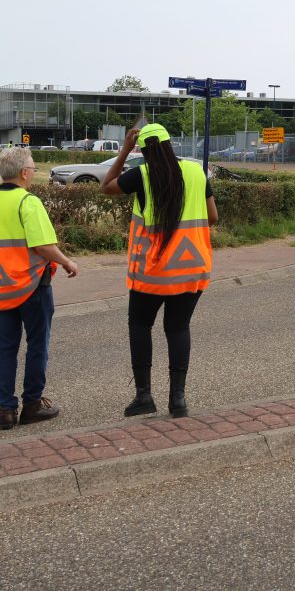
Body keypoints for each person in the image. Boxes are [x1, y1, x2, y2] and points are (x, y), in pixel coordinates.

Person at [102, 124, 218, 419]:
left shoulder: (140, 175)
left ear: (143, 149)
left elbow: (107, 186)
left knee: (140, 326)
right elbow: (213, 217)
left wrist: (125, 149)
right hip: (191, 268)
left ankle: (144, 396)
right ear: (170, 144)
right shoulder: (195, 172)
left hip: (152, 272)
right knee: (178, 328)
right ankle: (178, 400)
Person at [0, 147, 79, 430]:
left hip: (2, 291)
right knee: (37, 346)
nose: (33, 171)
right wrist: (68, 262)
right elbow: (43, 246)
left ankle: (4, 410)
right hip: (33, 287)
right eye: (32, 167)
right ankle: (32, 405)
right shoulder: (28, 202)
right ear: (23, 173)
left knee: (4, 349)